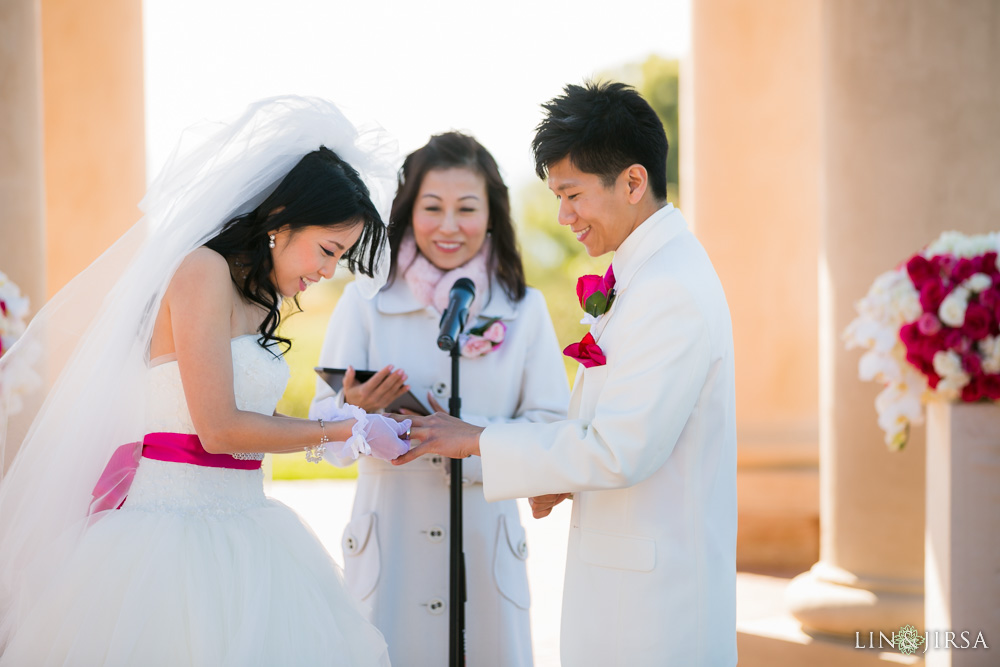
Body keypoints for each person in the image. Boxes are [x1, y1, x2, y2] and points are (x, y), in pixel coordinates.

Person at [0, 97, 409, 666]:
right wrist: (347, 429)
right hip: (170, 537)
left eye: (338, 257)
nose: (327, 270)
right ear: (281, 219)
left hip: (249, 526)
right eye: (327, 250)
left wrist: (350, 423)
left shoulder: (255, 299)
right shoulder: (200, 272)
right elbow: (218, 428)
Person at [393, 82, 738, 666]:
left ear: (632, 182)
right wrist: (560, 476)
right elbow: (627, 429)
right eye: (557, 195)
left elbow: (618, 448)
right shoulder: (646, 272)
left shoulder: (669, 289)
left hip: (655, 611)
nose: (563, 215)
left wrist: (476, 439)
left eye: (572, 194)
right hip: (628, 589)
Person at [310, 132, 569, 666]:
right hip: (390, 543)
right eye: (432, 208)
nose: (449, 226)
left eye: (466, 208)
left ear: (492, 215)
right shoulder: (365, 302)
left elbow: (552, 431)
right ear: (408, 212)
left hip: (485, 542)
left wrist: (469, 437)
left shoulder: (525, 310)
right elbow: (321, 430)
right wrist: (354, 412)